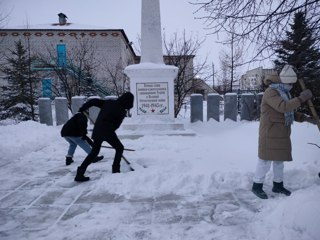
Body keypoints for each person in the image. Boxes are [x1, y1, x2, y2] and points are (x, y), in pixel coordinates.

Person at [252, 66, 313, 199]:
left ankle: (278, 185)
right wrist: (301, 99)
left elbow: (289, 112)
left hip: (281, 133)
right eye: (290, 83)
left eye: (292, 84)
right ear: (283, 81)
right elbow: (284, 107)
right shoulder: (271, 92)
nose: (291, 86)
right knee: (265, 161)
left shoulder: (284, 92)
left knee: (279, 161)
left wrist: (306, 118)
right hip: (270, 132)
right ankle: (256, 186)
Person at [74, 92, 134, 182]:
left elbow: (93, 101)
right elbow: (116, 126)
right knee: (119, 147)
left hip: (97, 130)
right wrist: (109, 131)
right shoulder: (122, 111)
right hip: (108, 131)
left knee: (94, 152)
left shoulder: (108, 102)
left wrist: (83, 108)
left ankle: (80, 172)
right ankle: (116, 170)